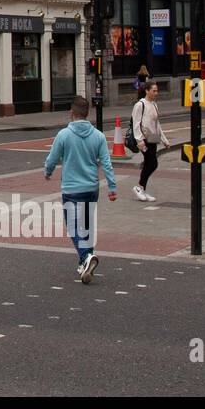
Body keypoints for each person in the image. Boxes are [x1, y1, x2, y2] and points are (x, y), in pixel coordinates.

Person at [44, 96, 118, 284]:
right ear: (87, 113)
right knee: (87, 226)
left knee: (72, 227)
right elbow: (106, 163)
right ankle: (85, 264)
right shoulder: (99, 136)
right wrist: (112, 187)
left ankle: (86, 257)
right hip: (91, 187)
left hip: (71, 188)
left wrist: (48, 171)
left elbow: (53, 158)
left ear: (72, 112)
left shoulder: (64, 135)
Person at [130, 81, 169, 202]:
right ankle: (138, 187)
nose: (156, 93)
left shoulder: (154, 104)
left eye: (157, 90)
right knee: (153, 163)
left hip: (153, 138)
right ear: (147, 91)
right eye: (154, 90)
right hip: (144, 139)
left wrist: (164, 140)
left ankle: (142, 189)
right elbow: (135, 124)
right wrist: (139, 140)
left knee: (148, 163)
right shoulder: (140, 105)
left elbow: (157, 124)